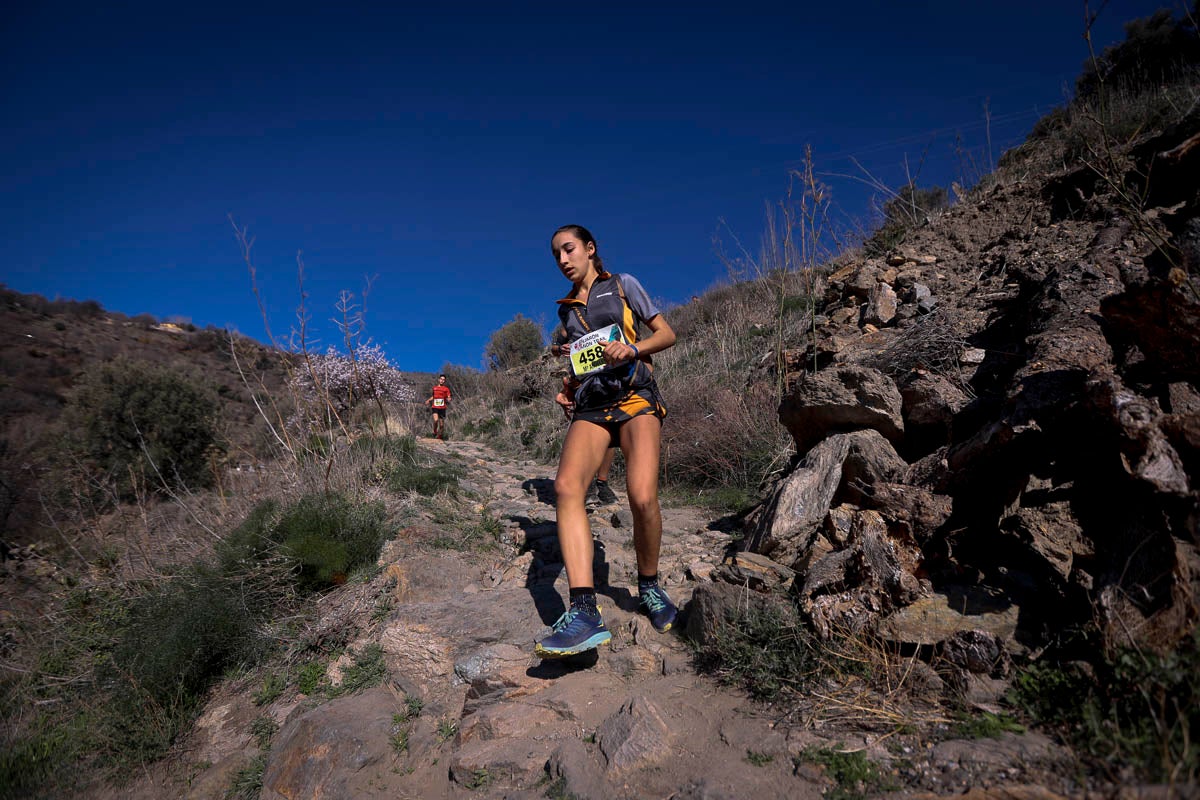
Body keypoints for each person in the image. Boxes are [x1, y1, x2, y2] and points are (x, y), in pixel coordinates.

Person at [535, 224, 678, 659]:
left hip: (636, 398)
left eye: (569, 249)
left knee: (641, 495)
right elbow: (584, 361)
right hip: (593, 406)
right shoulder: (566, 314)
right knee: (566, 489)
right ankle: (583, 612)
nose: (562, 259)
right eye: (556, 253)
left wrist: (633, 350)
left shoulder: (622, 285)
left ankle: (649, 587)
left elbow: (666, 334)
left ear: (590, 249)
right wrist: (567, 385)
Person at [551, 329, 620, 508]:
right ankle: (587, 484)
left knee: (610, 435)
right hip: (582, 383)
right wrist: (560, 349)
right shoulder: (569, 320)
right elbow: (554, 348)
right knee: (581, 432)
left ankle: (602, 484)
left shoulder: (607, 314)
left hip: (611, 378)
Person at [424, 374, 451, 439]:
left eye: (443, 380)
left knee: (441, 425)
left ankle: (439, 436)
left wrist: (449, 399)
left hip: (442, 408)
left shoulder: (446, 389)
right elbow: (434, 396)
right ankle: (435, 431)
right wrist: (428, 400)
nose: (442, 381)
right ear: (438, 380)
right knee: (435, 420)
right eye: (441, 379)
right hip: (435, 407)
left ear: (445, 381)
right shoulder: (434, 388)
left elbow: (449, 396)